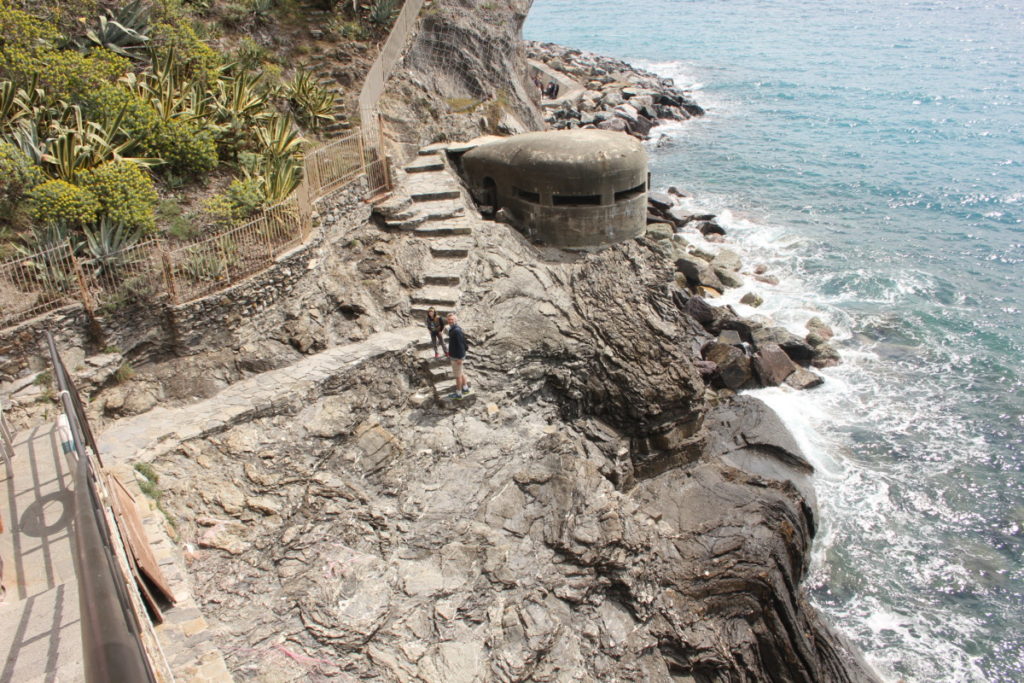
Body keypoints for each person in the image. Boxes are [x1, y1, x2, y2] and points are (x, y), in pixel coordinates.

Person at [446, 312, 470, 399]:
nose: (450, 321)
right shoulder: (454, 329)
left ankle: (459, 394)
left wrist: (460, 358)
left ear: (455, 320)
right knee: (461, 373)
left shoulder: (456, 330)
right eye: (449, 319)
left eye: (452, 319)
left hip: (457, 357)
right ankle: (465, 388)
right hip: (456, 355)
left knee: (458, 376)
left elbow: (460, 345)